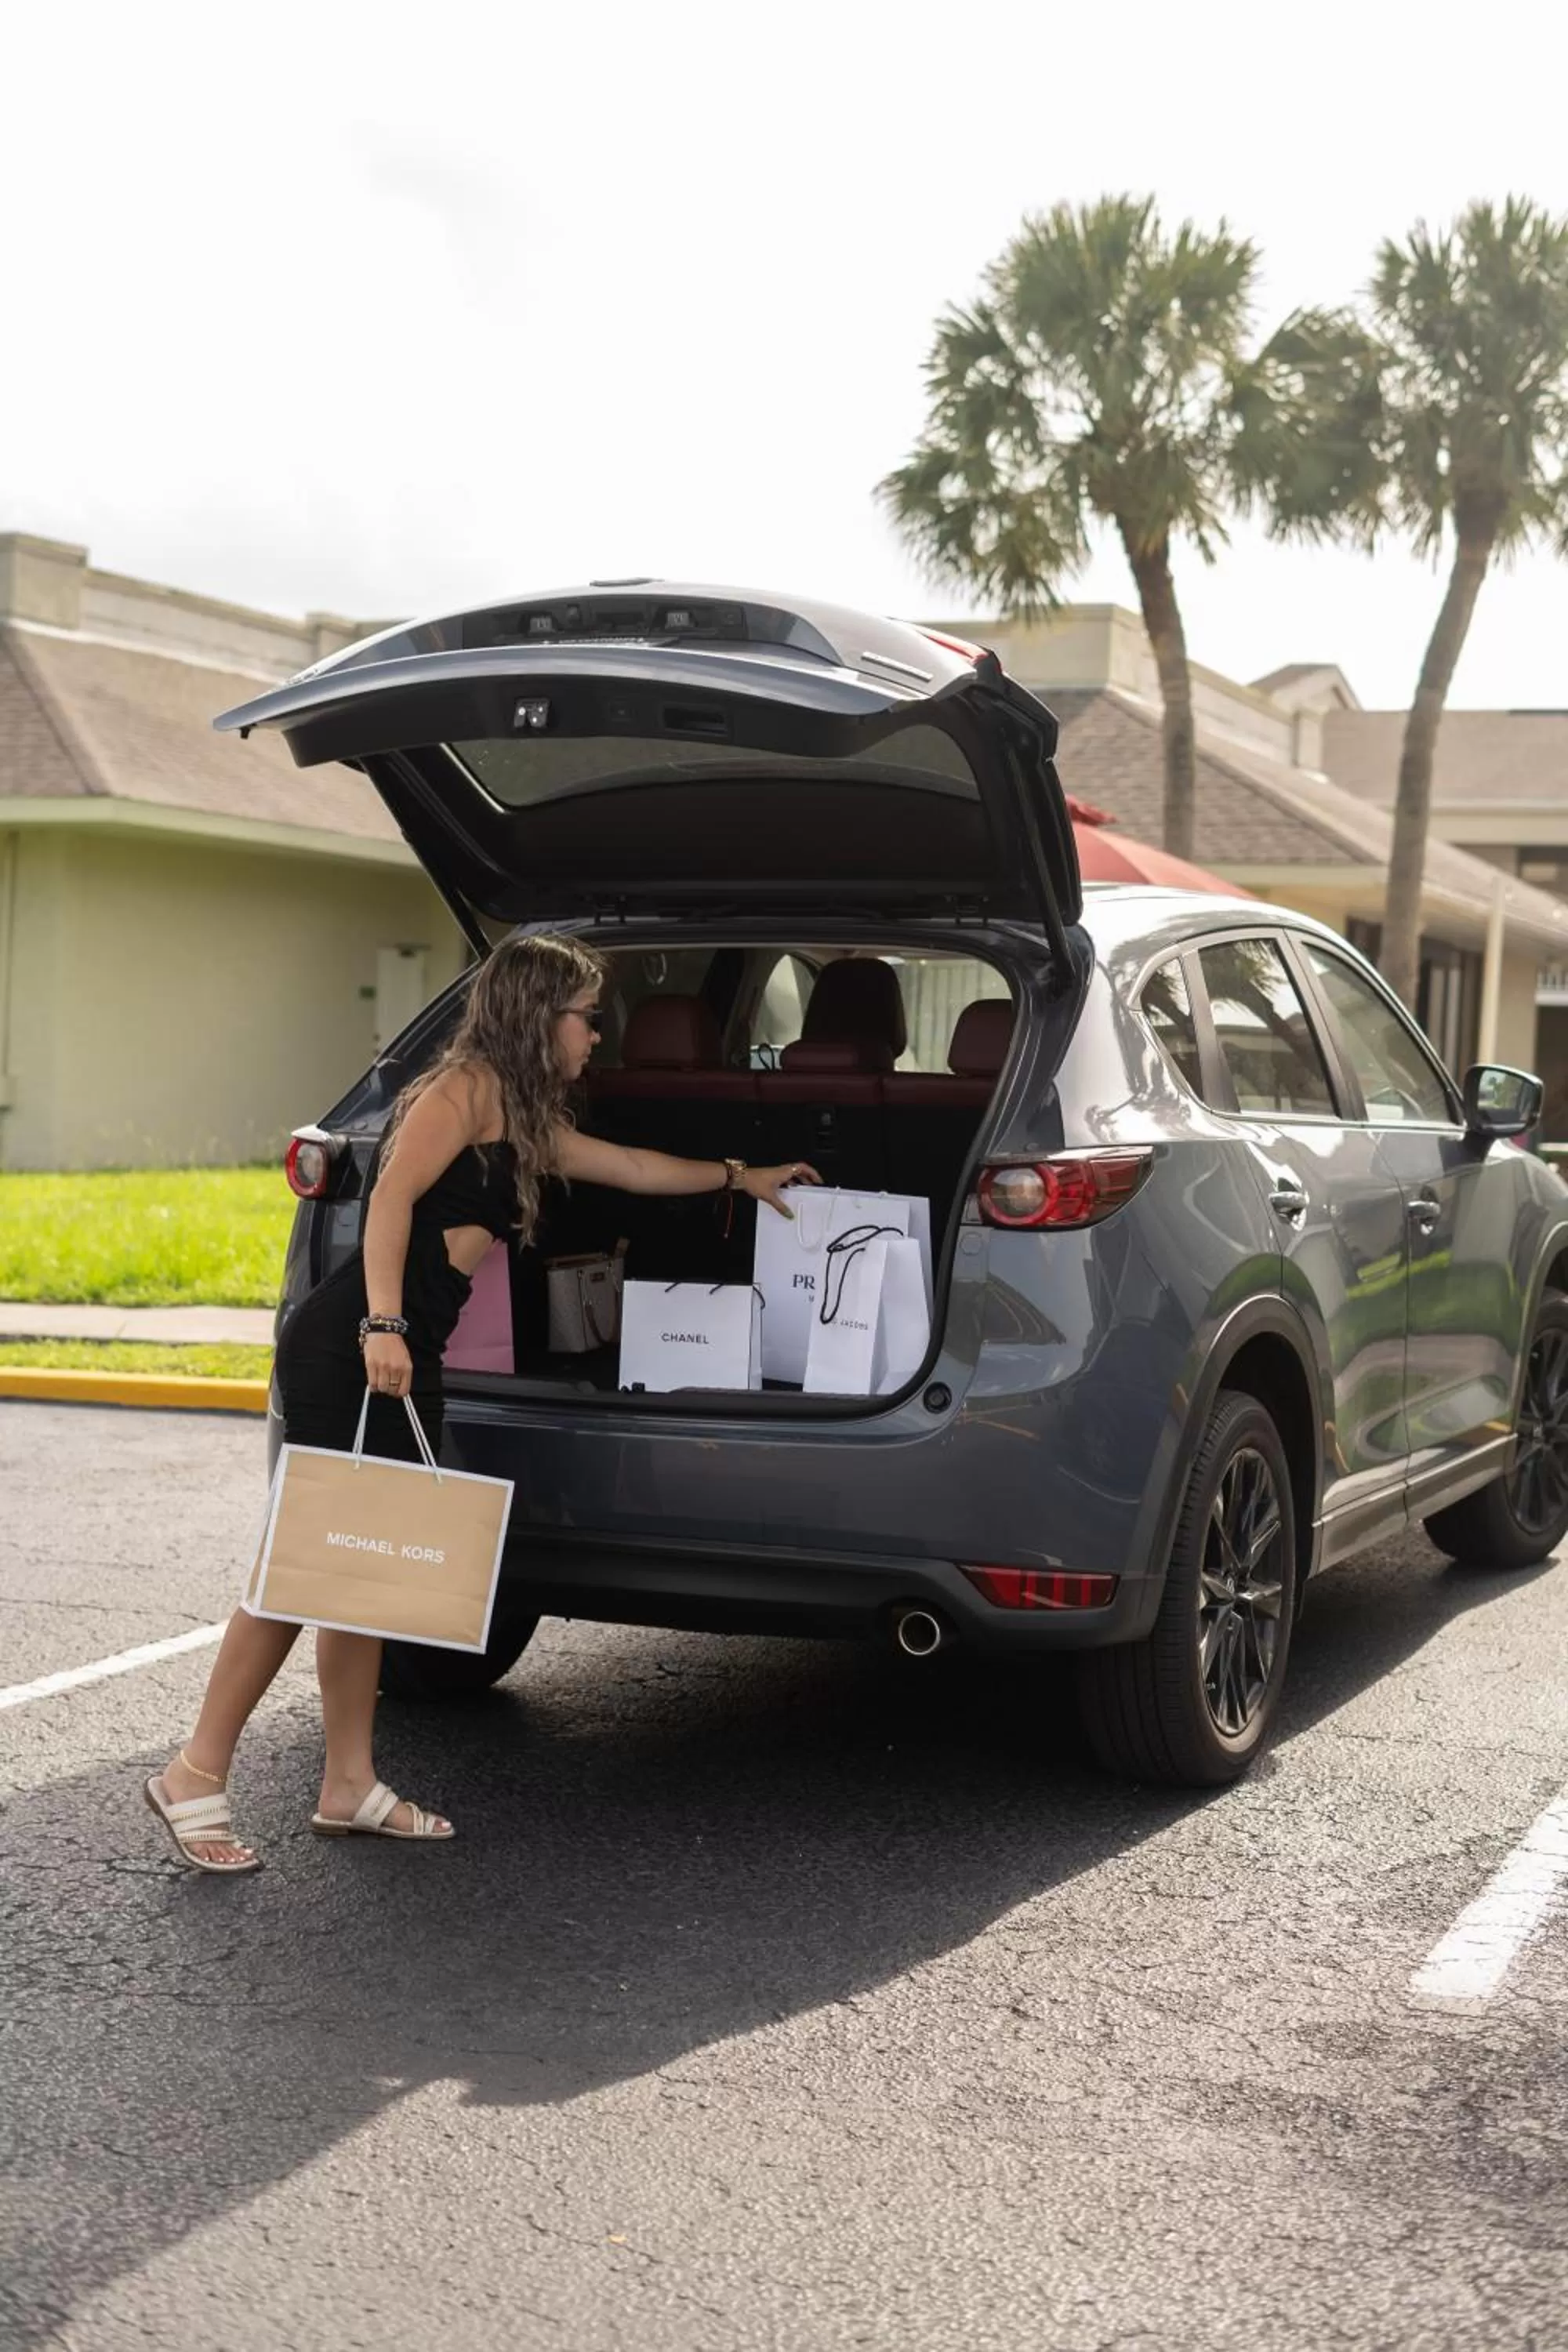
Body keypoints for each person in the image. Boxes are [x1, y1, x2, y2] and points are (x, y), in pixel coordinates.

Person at [143, 934, 818, 1872]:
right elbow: (387, 1202)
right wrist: (382, 1326)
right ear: (537, 1015)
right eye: (586, 1017)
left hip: (406, 1352)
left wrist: (743, 1178)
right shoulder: (458, 1092)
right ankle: (194, 1773)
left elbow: (626, 1165)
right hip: (356, 1350)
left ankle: (349, 1785)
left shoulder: (520, 1110)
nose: (594, 1036)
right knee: (304, 1569)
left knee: (357, 1570)